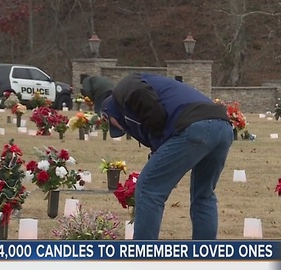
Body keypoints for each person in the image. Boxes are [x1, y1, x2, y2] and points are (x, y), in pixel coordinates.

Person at [100, 73, 233, 240]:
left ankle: (143, 256)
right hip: (222, 127)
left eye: (113, 123)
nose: (122, 128)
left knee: (149, 189)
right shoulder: (157, 89)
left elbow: (152, 111)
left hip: (194, 126)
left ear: (110, 112)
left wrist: (157, 144)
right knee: (204, 194)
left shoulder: (123, 88)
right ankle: (204, 256)